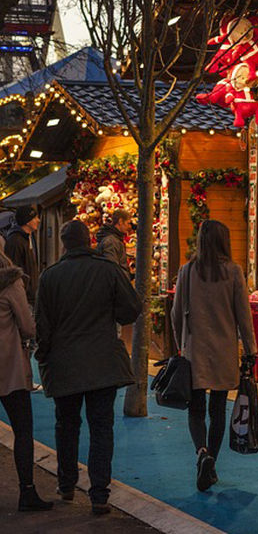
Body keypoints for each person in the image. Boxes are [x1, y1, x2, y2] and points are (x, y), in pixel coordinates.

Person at [34, 220, 141, 516]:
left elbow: (42, 323)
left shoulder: (50, 277)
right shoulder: (107, 270)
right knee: (101, 427)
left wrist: (43, 357)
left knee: (66, 425)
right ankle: (99, 495)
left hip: (65, 362)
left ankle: (67, 485)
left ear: (65, 244)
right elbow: (132, 308)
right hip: (102, 362)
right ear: (89, 241)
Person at [171, 219, 257, 493]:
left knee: (195, 409)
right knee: (217, 410)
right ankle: (212, 464)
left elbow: (176, 313)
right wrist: (251, 349)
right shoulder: (233, 272)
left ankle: (201, 452)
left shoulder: (187, 271)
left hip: (194, 349)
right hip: (224, 350)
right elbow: (244, 315)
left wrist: (180, 343)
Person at [0, 251, 52, 512]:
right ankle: (27, 491)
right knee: (22, 430)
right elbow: (28, 327)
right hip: (8, 369)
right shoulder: (10, 282)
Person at [6, 206, 40, 308]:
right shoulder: (16, 241)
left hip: (29, 296)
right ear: (27, 221)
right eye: (35, 218)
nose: (38, 220)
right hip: (23, 298)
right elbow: (12, 270)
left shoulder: (27, 238)